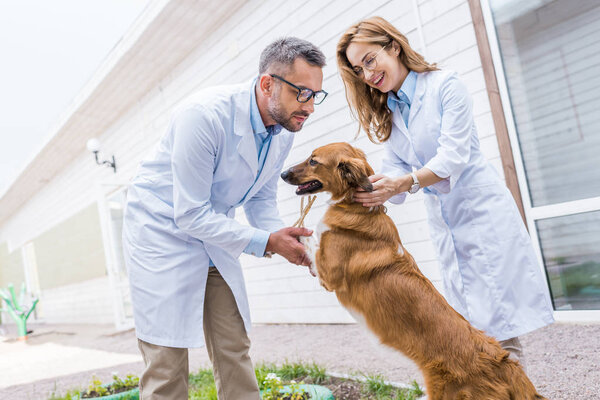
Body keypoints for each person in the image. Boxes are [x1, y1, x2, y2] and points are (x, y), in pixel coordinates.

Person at [336, 16, 554, 363]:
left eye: (369, 60)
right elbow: (395, 169)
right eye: (359, 70)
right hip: (448, 224)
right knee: (468, 331)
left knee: (499, 332)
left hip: (481, 215)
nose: (367, 74)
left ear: (393, 45)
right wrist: (370, 189)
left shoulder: (445, 86)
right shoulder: (393, 111)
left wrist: (406, 182)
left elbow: (453, 155)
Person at [122, 37, 327, 399]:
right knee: (166, 364)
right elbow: (189, 212)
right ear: (268, 84)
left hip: (214, 233)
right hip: (160, 233)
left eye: (316, 95)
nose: (309, 107)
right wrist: (267, 242)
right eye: (302, 93)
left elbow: (261, 198)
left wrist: (285, 239)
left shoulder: (283, 130)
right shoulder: (203, 116)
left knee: (233, 343)